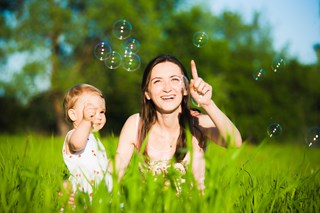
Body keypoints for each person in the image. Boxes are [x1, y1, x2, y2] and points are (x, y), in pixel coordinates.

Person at [114, 54, 242, 192]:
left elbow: (234, 142)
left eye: (174, 80)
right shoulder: (135, 124)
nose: (167, 88)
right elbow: (115, 174)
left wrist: (208, 104)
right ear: (147, 93)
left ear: (186, 88)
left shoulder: (198, 122)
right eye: (157, 81)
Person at [62, 83, 112, 200]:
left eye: (102, 112)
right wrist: (86, 121)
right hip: (81, 195)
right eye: (91, 112)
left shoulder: (95, 139)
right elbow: (77, 144)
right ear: (73, 115)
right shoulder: (73, 135)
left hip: (99, 195)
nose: (98, 116)